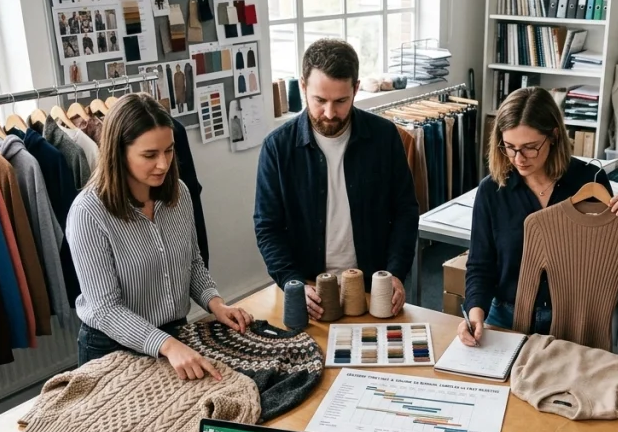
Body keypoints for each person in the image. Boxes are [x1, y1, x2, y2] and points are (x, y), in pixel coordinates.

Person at [67, 93, 252, 379]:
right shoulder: (88, 213)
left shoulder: (179, 193)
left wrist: (216, 304)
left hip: (174, 337)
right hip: (112, 350)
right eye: (150, 155)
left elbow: (192, 264)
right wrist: (166, 345)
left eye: (168, 151)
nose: (164, 164)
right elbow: (106, 310)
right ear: (118, 152)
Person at [459, 86, 618, 346]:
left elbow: (607, 260)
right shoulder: (493, 190)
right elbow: (480, 265)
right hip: (506, 316)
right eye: (509, 147)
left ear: (555, 135)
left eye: (530, 147)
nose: (518, 158)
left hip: (572, 321)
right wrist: (475, 312)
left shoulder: (589, 181)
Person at [254, 38, 419, 319]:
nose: (330, 114)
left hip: (373, 286)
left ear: (355, 89)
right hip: (308, 288)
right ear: (304, 88)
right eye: (319, 100)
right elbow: (268, 227)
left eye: (341, 101)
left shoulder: (384, 137)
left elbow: (405, 211)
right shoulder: (277, 148)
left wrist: (395, 273)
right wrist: (291, 282)